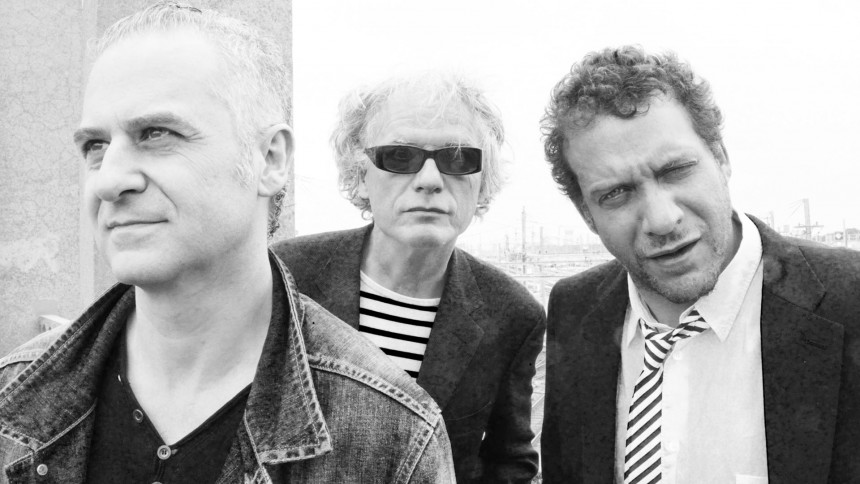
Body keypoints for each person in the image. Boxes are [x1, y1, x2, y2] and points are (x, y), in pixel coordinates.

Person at [0, 3, 454, 483]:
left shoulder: (391, 439)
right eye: (95, 146)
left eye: (155, 134)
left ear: (270, 159)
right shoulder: (13, 394)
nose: (109, 180)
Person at [539, 45, 860, 483]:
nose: (661, 219)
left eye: (676, 170)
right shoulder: (574, 311)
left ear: (721, 158)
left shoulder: (849, 303)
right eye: (615, 193)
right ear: (586, 215)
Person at [273, 73, 546, 483]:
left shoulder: (511, 314)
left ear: (482, 182)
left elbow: (508, 460)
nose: (430, 180)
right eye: (400, 157)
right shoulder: (286, 275)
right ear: (360, 176)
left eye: (458, 158)